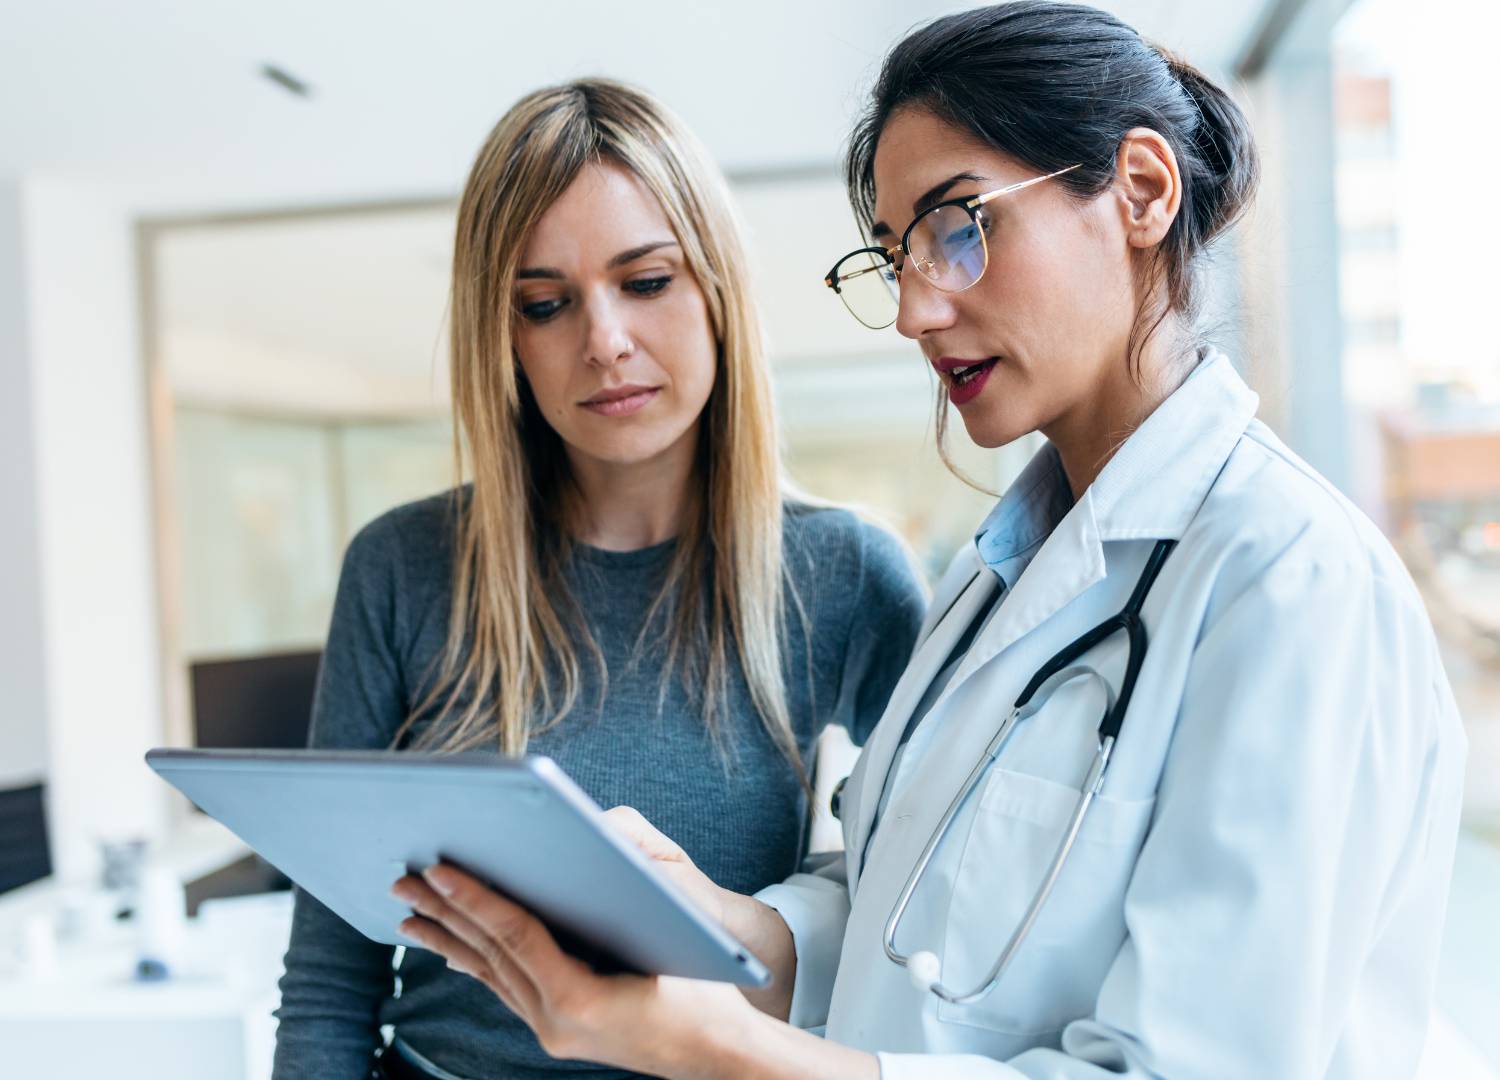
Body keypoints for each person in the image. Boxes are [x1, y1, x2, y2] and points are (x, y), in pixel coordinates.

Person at [390, 4, 1469, 1078]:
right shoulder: (1000, 578)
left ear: (1141, 191)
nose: (914, 309)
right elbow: (896, 917)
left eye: (960, 227)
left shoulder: (1289, 584)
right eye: (898, 254)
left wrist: (710, 1047)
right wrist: (717, 922)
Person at [271, 78, 928, 1080]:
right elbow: (330, 979)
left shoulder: (845, 573)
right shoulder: (403, 569)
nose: (604, 341)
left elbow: (918, 911)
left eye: (648, 281)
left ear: (716, 289)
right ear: (508, 336)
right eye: (545, 303)